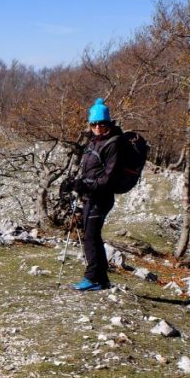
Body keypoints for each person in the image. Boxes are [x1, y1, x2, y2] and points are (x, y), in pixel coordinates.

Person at [65, 98, 122, 291]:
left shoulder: (113, 144)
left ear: (108, 123)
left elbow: (108, 178)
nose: (97, 127)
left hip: (101, 197)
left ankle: (91, 278)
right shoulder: (94, 142)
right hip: (91, 196)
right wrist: (75, 183)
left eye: (102, 123)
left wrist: (84, 185)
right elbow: (89, 170)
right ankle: (102, 280)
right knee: (93, 236)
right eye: (94, 124)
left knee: (90, 237)